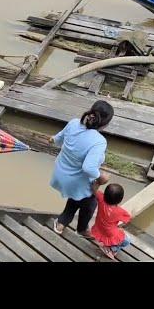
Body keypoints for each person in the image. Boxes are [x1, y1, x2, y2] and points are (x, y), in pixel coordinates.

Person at [49, 100, 113, 238]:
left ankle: (61, 223)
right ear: (106, 123)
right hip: (76, 181)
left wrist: (52, 139)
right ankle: (82, 229)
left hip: (61, 173)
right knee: (91, 201)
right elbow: (88, 168)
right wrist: (100, 177)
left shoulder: (73, 123)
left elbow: (58, 139)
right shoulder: (99, 141)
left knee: (77, 198)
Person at [91, 183, 132, 260]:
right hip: (110, 233)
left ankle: (107, 245)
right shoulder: (119, 211)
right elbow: (128, 218)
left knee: (108, 235)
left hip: (99, 227)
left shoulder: (101, 198)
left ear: (105, 194)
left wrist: (97, 182)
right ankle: (112, 250)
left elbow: (94, 190)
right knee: (127, 241)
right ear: (120, 200)